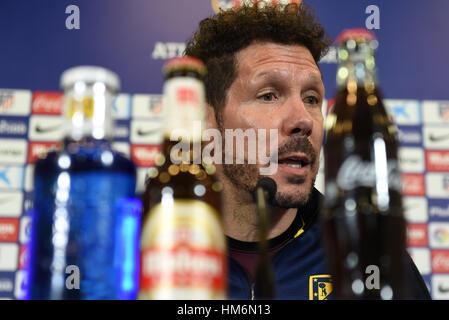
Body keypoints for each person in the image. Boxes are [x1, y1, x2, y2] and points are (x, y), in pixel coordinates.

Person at [184, 1, 430, 300]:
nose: (303, 120)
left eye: (312, 98)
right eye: (269, 95)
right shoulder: (148, 249)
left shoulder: (369, 257)